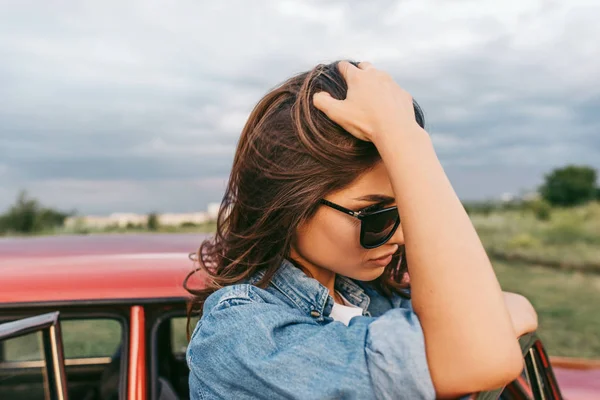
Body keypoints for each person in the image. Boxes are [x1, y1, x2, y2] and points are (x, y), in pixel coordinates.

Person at [184, 60, 538, 399]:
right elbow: (481, 351)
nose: (400, 237)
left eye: (407, 213)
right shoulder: (242, 334)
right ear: (290, 206)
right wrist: (403, 137)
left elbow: (480, 322)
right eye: (376, 215)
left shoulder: (375, 297)